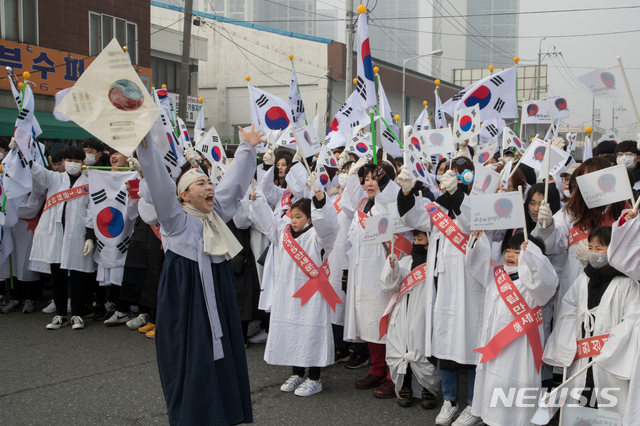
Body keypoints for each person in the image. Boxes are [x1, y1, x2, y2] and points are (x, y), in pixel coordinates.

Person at [136, 124, 262, 425]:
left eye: (208, 182)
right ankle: (192, 415)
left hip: (217, 290)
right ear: (184, 196)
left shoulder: (215, 214)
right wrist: (146, 149)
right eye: (200, 184)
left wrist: (246, 147)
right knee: (191, 355)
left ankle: (225, 412)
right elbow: (160, 185)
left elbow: (233, 184)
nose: (209, 188)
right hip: (186, 294)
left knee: (224, 351)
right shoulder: (175, 220)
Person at [396, 158, 485, 426]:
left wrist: (457, 194)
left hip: (471, 287)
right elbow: (413, 217)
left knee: (470, 344)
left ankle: (473, 405)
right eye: (447, 175)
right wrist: (407, 192)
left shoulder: (478, 204)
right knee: (446, 342)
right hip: (443, 285)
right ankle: (449, 400)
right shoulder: (439, 208)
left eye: (456, 176)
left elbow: (470, 224)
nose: (449, 179)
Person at [248, 189, 339, 396]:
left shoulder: (317, 236)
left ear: (310, 218)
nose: (294, 220)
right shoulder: (284, 234)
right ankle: (297, 372)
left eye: (299, 217)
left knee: (310, 332)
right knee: (292, 332)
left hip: (312, 294)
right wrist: (258, 201)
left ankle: (315, 378)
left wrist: (321, 204)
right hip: (288, 294)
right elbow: (267, 223)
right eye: (292, 216)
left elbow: (329, 227)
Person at [543, 226, 639, 418]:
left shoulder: (628, 283)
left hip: (610, 362)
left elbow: (632, 321)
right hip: (582, 358)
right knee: (580, 402)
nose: (594, 253)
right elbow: (568, 311)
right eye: (591, 248)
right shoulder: (583, 279)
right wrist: (568, 342)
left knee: (608, 405)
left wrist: (609, 348)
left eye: (600, 248)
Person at [467, 232, 557, 426]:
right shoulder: (497, 276)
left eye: (518, 251)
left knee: (517, 388)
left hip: (520, 348)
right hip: (494, 346)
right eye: (509, 250)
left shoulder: (533, 284)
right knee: (493, 386)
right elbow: (476, 265)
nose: (510, 254)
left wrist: (532, 255)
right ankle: (492, 420)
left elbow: (548, 283)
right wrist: (478, 240)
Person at [343, 158, 403, 395]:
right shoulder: (362, 208)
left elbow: (392, 197)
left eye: (375, 178)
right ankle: (377, 370)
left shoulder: (389, 205)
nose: (370, 182)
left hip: (383, 272)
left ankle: (391, 374)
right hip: (362, 273)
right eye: (366, 178)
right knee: (369, 321)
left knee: (385, 324)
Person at [29, 145, 97, 330]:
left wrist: (90, 236)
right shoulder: (54, 178)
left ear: (83, 163)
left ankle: (77, 314)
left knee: (78, 276)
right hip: (56, 235)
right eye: (69, 160)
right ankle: (60, 314)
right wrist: (22, 151)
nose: (72, 164)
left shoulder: (89, 183)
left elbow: (92, 211)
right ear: (63, 162)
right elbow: (36, 171)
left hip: (77, 236)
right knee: (57, 276)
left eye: (76, 161)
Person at [381, 229, 439, 409]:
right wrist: (391, 268)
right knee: (402, 346)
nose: (416, 241)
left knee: (424, 347)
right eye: (414, 238)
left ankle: (428, 388)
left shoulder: (437, 262)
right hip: (403, 311)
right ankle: (404, 385)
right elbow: (388, 285)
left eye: (421, 238)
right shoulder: (405, 260)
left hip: (425, 311)